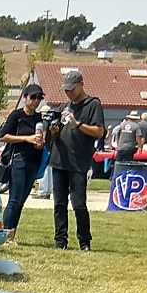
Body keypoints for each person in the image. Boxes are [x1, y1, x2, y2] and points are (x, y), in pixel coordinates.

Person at [51, 68, 106, 250]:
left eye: (71, 89)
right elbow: (57, 133)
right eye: (66, 90)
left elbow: (99, 131)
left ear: (81, 85)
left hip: (78, 162)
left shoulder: (93, 105)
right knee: (59, 204)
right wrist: (54, 132)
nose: (68, 93)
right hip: (60, 160)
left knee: (78, 204)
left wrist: (78, 124)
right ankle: (60, 241)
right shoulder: (64, 106)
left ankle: (84, 242)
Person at [0, 85, 48, 232]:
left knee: (21, 201)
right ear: (25, 97)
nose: (36, 101)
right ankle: (5, 232)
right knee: (14, 199)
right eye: (33, 97)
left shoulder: (39, 118)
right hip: (18, 160)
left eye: (39, 98)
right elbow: (3, 136)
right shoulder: (17, 116)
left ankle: (12, 232)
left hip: (34, 161)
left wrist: (40, 143)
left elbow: (41, 139)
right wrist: (27, 139)